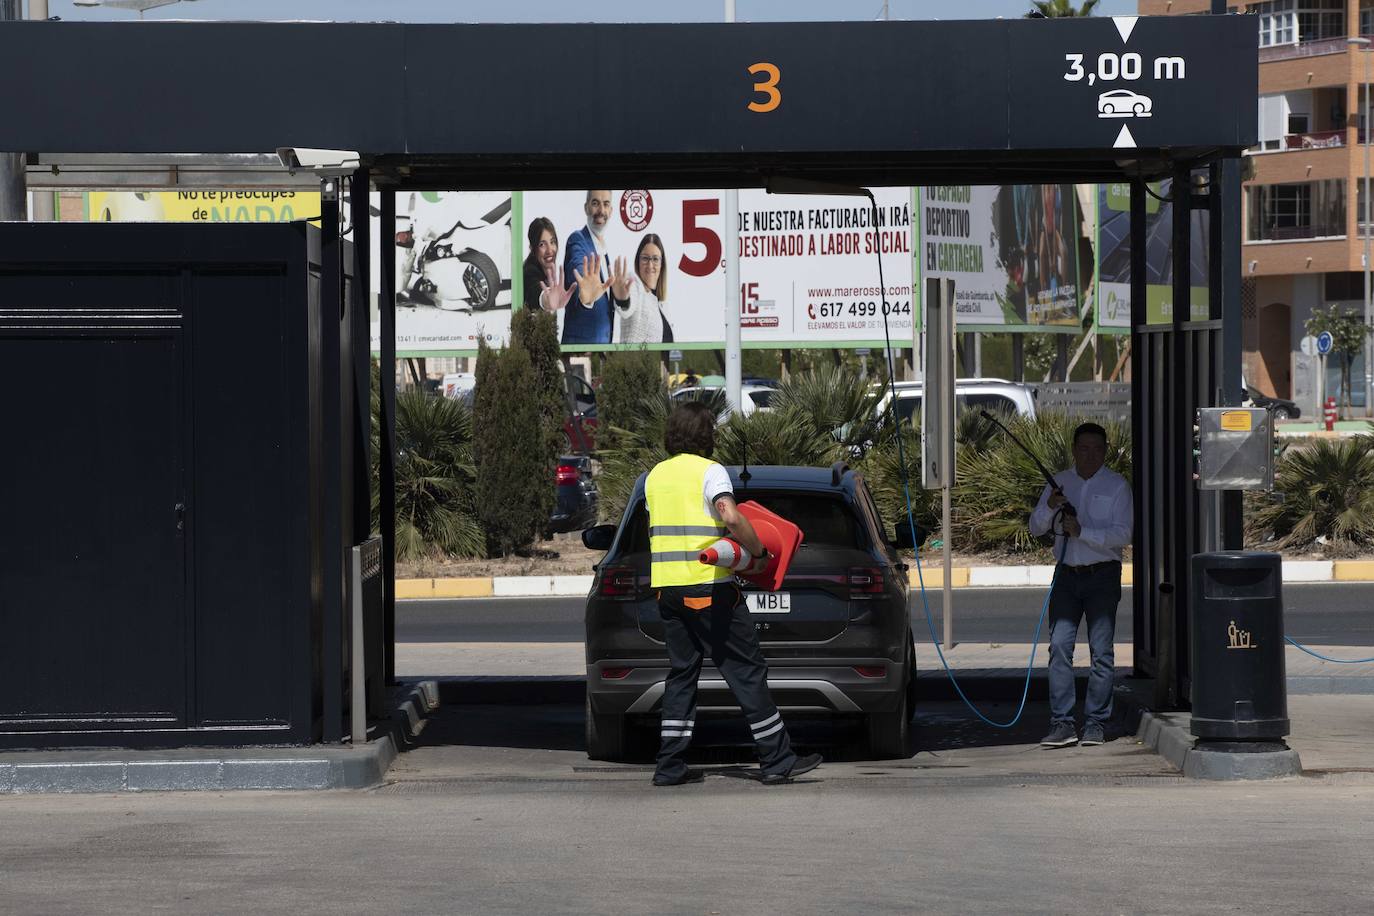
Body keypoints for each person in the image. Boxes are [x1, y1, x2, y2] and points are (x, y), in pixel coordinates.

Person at [645, 402, 823, 786]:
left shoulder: (655, 476)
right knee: (746, 672)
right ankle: (777, 760)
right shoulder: (710, 472)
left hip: (668, 591)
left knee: (681, 675)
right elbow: (729, 515)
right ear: (706, 435)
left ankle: (669, 766)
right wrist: (757, 552)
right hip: (708, 588)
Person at [1029, 422, 1132, 749]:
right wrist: (1049, 507)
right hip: (1067, 574)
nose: (1090, 455)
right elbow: (1034, 527)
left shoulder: (1117, 486)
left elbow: (1123, 535)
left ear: (1105, 451)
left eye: (1097, 449)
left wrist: (1083, 532)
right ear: (1074, 450)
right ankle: (1062, 723)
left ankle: (1096, 724)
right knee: (1059, 647)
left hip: (1103, 575)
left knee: (1101, 652)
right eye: (1084, 449)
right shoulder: (1060, 482)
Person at [561, 190, 617, 344]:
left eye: (606, 204)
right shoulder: (577, 240)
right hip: (579, 352)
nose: (601, 210)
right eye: (595, 203)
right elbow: (578, 267)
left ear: (611, 211)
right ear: (586, 208)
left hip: (600, 351)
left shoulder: (604, 249)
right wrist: (584, 296)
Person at [613, 233, 673, 344]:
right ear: (638, 262)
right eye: (645, 258)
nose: (650, 265)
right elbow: (627, 306)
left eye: (655, 259)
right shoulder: (635, 284)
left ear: (662, 264)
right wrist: (623, 300)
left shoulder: (662, 305)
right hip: (634, 361)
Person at [522, 217, 576, 313]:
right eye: (542, 244)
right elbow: (535, 292)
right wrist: (546, 300)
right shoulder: (529, 271)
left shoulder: (548, 272)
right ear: (532, 249)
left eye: (552, 242)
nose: (550, 250)